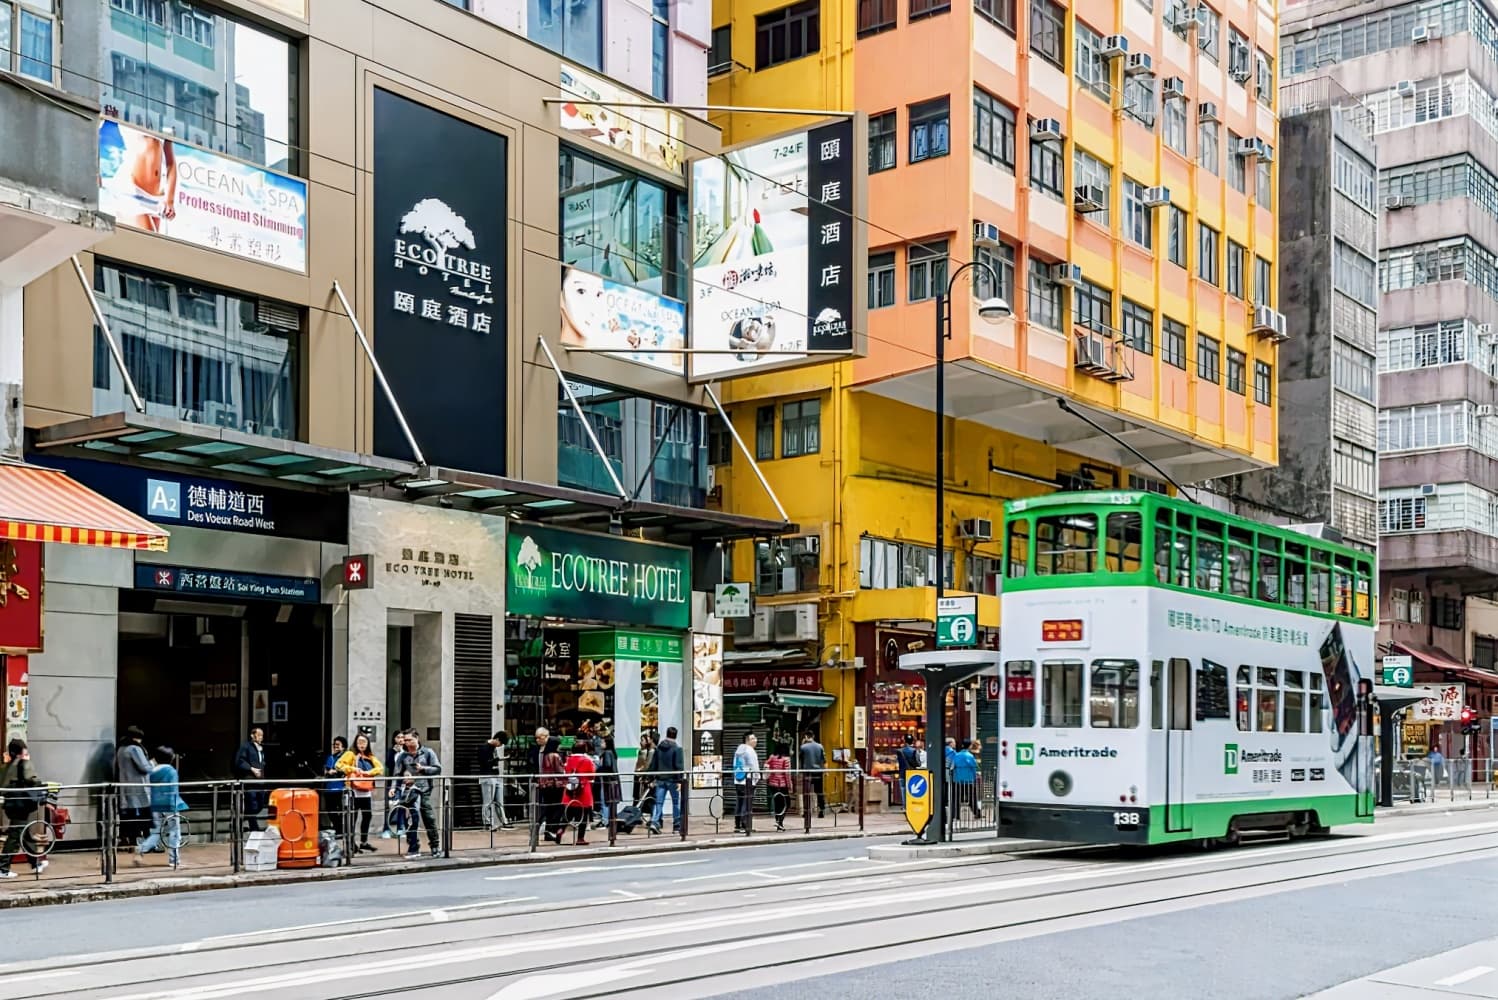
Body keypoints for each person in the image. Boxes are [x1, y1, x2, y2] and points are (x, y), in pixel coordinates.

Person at [104, 125, 178, 232]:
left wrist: (170, 200)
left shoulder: (164, 120)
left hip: (157, 198)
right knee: (151, 244)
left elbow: (170, 163)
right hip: (132, 192)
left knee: (150, 245)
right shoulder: (133, 112)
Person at [135, 746, 189, 870]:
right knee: (174, 832)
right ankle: (174, 859)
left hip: (156, 804)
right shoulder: (171, 771)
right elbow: (174, 789)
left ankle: (141, 849)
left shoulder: (152, 771)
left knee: (157, 831)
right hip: (170, 804)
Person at [0, 739, 46, 878]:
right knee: (15, 835)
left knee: (23, 832)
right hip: (22, 804)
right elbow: (32, 779)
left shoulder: (5, 767)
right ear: (23, 751)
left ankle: (35, 862)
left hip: (10, 803)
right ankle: (3, 867)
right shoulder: (24, 764)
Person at [392, 730, 441, 860]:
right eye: (405, 740)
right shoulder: (403, 756)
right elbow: (396, 774)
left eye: (409, 740)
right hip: (408, 790)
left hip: (424, 789)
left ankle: (435, 846)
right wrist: (394, 788)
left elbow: (437, 768)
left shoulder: (428, 752)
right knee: (411, 819)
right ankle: (413, 846)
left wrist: (423, 769)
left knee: (428, 817)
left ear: (417, 739)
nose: (407, 743)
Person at [337, 733, 383, 852]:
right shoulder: (350, 754)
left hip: (366, 791)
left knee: (367, 816)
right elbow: (339, 765)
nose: (361, 744)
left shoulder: (370, 756)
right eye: (359, 742)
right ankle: (351, 844)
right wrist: (353, 769)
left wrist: (369, 773)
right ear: (355, 743)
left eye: (364, 742)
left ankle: (364, 841)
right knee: (352, 817)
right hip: (353, 791)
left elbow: (380, 769)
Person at [114, 726, 152, 851]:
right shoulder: (135, 749)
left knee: (128, 817)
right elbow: (145, 768)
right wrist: (152, 763)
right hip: (139, 789)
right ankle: (147, 842)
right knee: (143, 817)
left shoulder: (121, 749)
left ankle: (128, 840)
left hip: (125, 788)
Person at [649, 727, 684, 835]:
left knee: (658, 802)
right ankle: (677, 826)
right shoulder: (677, 749)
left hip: (660, 779)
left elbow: (653, 764)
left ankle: (654, 822)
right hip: (673, 779)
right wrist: (680, 781)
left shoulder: (659, 748)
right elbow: (679, 766)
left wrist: (650, 777)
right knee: (675, 802)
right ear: (676, 735)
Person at [563, 739, 597, 845]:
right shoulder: (587, 760)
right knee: (583, 815)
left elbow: (565, 773)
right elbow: (592, 776)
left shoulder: (568, 759)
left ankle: (560, 830)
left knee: (567, 814)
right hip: (583, 790)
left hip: (569, 789)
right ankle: (580, 838)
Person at [233, 727, 267, 832]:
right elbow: (239, 761)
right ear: (252, 735)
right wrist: (251, 769)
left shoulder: (260, 748)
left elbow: (262, 762)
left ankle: (242, 818)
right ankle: (254, 828)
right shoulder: (246, 747)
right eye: (259, 735)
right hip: (250, 780)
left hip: (260, 781)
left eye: (262, 735)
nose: (261, 737)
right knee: (252, 803)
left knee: (260, 803)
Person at [477, 731, 511, 832]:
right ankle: (487, 823)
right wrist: (497, 759)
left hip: (496, 775)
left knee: (499, 801)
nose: (500, 746)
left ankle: (503, 821)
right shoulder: (484, 748)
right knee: (488, 801)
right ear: (497, 740)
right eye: (501, 743)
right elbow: (483, 762)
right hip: (487, 776)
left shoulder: (493, 748)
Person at [381, 731, 407, 840]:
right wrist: (393, 752)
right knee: (390, 806)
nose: (400, 739)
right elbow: (388, 765)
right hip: (392, 782)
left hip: (404, 782)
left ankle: (401, 828)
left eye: (402, 737)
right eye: (398, 737)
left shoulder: (406, 752)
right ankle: (386, 829)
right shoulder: (391, 752)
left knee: (403, 806)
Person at [733, 734, 761, 836]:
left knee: (739, 802)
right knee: (747, 802)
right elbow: (754, 766)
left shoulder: (738, 750)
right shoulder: (750, 750)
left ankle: (737, 825)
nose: (755, 740)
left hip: (738, 780)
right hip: (748, 780)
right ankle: (746, 825)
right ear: (747, 740)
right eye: (753, 738)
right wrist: (757, 777)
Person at [539, 737, 565, 844]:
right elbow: (560, 771)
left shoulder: (545, 755)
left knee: (549, 808)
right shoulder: (555, 756)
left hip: (546, 785)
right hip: (556, 785)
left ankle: (547, 831)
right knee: (557, 808)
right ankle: (552, 830)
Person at [322, 737, 347, 837]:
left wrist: (337, 771)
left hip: (340, 787)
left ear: (343, 747)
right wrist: (328, 772)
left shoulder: (346, 757)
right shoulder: (331, 757)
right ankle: (338, 829)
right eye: (334, 745)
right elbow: (326, 770)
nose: (336, 747)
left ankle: (341, 830)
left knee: (341, 810)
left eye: (338, 745)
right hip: (330, 787)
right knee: (330, 809)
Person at [799, 731, 827, 819]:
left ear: (806, 737)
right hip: (818, 771)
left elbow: (801, 759)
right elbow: (824, 759)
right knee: (819, 792)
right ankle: (821, 810)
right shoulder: (820, 746)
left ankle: (806, 812)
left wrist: (802, 744)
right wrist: (825, 770)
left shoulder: (803, 747)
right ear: (813, 736)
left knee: (806, 792)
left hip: (807, 772)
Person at [597, 737, 623, 830]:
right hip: (613, 780)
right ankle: (611, 819)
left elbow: (607, 765)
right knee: (611, 801)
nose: (601, 743)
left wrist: (598, 769)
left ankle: (605, 820)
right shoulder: (612, 753)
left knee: (605, 800)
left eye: (602, 742)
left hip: (607, 780)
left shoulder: (607, 753)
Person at [765, 742, 792, 831]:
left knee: (778, 803)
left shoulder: (772, 757)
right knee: (787, 803)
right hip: (782, 785)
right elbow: (787, 774)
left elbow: (766, 766)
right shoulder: (786, 759)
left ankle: (778, 821)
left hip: (772, 784)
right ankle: (780, 822)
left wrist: (768, 778)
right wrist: (790, 786)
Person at [952, 740, 980, 820]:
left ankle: (956, 816)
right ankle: (976, 813)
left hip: (957, 780)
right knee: (972, 798)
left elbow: (953, 766)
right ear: (970, 746)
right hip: (969, 780)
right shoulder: (969, 756)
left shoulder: (956, 755)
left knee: (957, 799)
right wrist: (975, 778)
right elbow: (974, 767)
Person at [894, 733, 923, 808]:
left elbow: (898, 762)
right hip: (912, 773)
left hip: (902, 773)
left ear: (905, 741)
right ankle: (911, 805)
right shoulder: (914, 751)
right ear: (912, 741)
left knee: (903, 789)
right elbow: (918, 763)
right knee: (912, 790)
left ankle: (905, 806)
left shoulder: (899, 751)